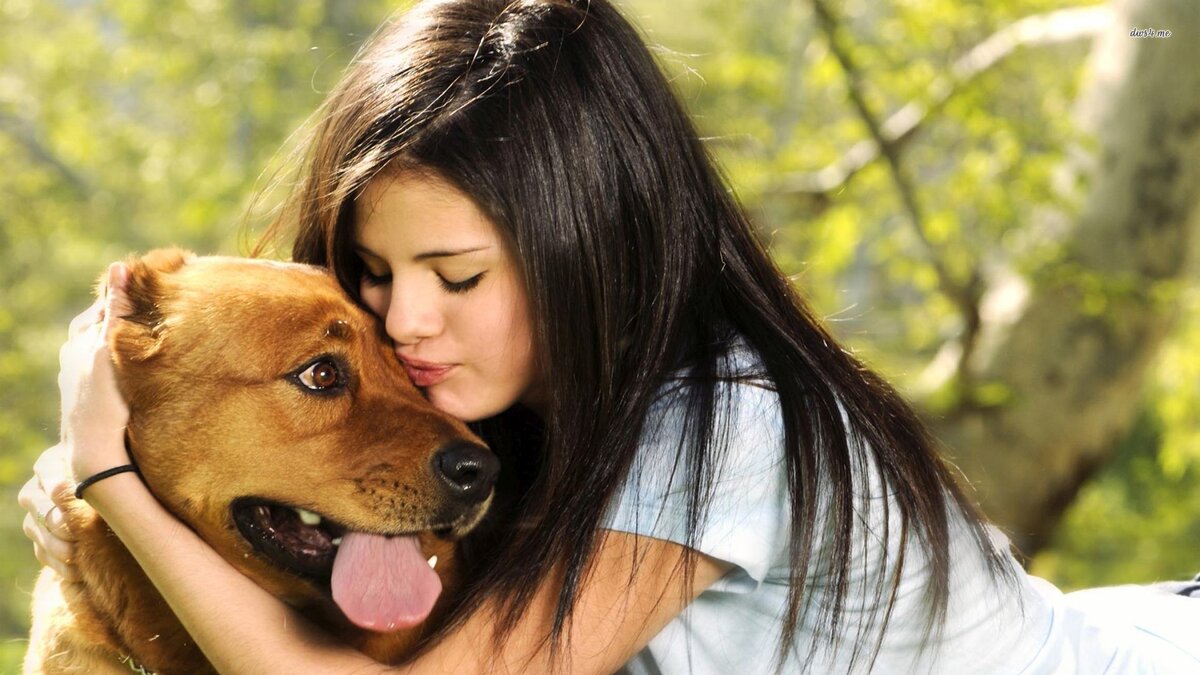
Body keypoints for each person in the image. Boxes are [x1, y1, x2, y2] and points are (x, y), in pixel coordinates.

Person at [19, 0, 1200, 672]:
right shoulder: (499, 417)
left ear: (594, 248)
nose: (404, 320)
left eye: (459, 274)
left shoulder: (716, 426)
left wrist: (114, 477)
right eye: (374, 272)